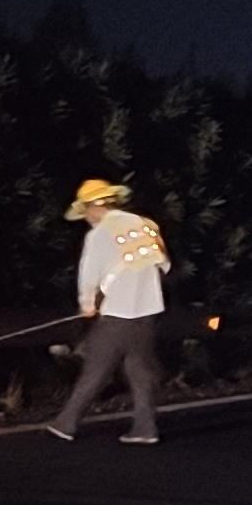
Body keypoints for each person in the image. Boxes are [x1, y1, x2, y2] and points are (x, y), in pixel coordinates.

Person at [43, 176, 172, 444]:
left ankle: (66, 422)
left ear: (93, 208)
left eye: (85, 212)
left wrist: (87, 306)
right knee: (140, 371)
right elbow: (165, 265)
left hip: (118, 313)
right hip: (148, 311)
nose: (86, 218)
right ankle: (145, 427)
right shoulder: (145, 225)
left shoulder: (100, 234)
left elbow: (88, 276)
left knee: (96, 368)